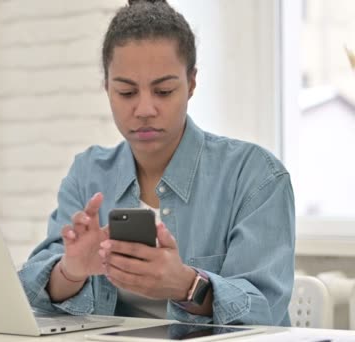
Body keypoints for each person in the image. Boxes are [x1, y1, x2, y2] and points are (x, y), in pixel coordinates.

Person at [18, 0, 295, 326]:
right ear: (106, 86)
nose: (145, 108)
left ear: (191, 84)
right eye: (126, 92)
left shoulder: (255, 176)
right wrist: (71, 270)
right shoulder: (88, 174)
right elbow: (33, 288)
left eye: (163, 91)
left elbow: (265, 309)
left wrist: (185, 284)